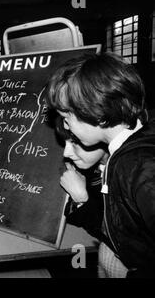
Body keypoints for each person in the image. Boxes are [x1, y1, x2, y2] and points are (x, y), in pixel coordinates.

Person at [47, 52, 155, 277]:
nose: (65, 126)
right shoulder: (127, 155)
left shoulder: (138, 165)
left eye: (68, 118)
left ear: (99, 114)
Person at [54, 116, 108, 244]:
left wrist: (82, 199)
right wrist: (79, 200)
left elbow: (123, 238)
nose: (66, 153)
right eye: (65, 143)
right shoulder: (87, 168)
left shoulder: (130, 172)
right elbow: (74, 218)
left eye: (75, 142)